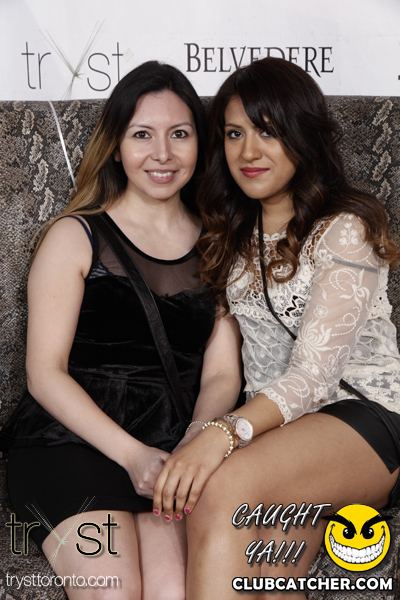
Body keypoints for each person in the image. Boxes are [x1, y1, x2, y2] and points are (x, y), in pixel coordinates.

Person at [152, 57, 400, 599]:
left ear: (301, 134)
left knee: (222, 487)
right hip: (278, 435)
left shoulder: (344, 229)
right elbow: (225, 372)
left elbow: (314, 377)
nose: (248, 152)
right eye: (234, 134)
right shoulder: (229, 237)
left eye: (267, 131)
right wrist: (197, 435)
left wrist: (222, 437)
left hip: (364, 418)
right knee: (268, 573)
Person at [1, 61, 242, 600]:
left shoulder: (219, 244)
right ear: (116, 146)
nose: (162, 153)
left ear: (200, 144)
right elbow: (44, 373)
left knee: (175, 591)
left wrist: (194, 442)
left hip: (170, 447)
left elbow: (222, 373)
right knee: (112, 590)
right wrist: (132, 456)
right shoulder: (75, 235)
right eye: (142, 135)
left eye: (179, 134)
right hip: (70, 443)